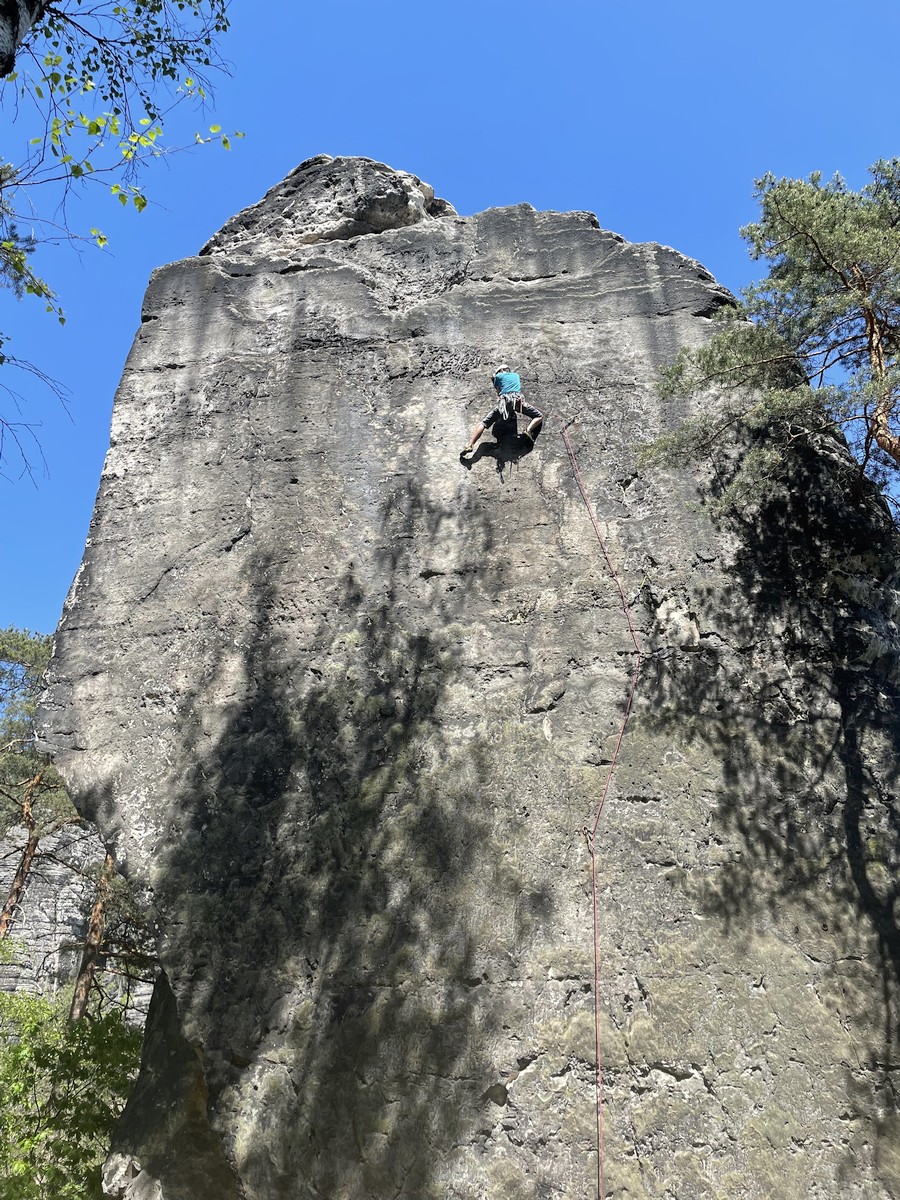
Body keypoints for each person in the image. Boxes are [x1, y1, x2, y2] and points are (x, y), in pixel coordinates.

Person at [462, 364, 543, 456]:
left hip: (504, 403)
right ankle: (528, 430)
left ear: (499, 371)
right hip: (517, 401)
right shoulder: (516, 375)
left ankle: (470, 444)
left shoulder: (497, 376)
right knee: (538, 416)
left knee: (484, 423)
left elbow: (498, 392)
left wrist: (494, 379)